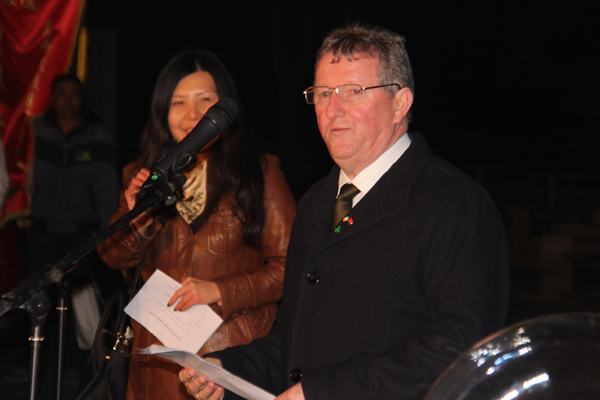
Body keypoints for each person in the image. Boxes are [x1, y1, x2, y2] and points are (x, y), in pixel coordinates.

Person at [179, 23, 511, 400]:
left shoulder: (455, 204)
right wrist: (225, 370)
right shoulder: (316, 203)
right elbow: (292, 346)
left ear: (400, 103)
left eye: (353, 92)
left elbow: (462, 345)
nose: (333, 109)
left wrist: (321, 392)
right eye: (322, 94)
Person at [97, 49, 297, 400]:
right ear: (164, 111)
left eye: (205, 100)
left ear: (224, 111)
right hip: (156, 365)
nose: (191, 115)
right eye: (178, 102)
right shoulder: (142, 174)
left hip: (228, 361)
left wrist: (220, 289)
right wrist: (136, 210)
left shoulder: (259, 172)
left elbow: (292, 267)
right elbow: (113, 258)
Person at [25, 73, 119, 397]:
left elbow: (108, 191)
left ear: (83, 97)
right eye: (61, 93)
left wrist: (108, 239)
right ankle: (38, 374)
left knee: (82, 315)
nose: (68, 100)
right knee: (40, 308)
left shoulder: (98, 137)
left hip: (81, 240)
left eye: (74, 94)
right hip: (41, 234)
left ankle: (84, 380)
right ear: (52, 97)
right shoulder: (37, 130)